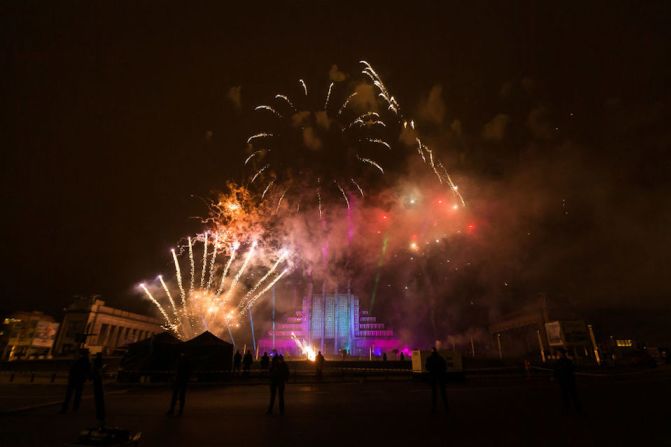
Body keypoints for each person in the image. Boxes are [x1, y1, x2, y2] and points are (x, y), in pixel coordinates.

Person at [60, 349, 90, 413]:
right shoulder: (87, 361)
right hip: (80, 379)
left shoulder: (79, 360)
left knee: (69, 394)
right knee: (77, 394)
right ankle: (75, 407)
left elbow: (73, 369)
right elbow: (87, 371)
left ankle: (66, 407)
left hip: (74, 379)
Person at [425, 347, 448, 413]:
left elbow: (427, 367)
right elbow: (445, 367)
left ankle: (434, 408)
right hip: (440, 377)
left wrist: (432, 371)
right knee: (443, 393)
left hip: (433, 377)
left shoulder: (429, 358)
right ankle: (446, 407)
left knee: (434, 393)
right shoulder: (440, 358)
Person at [91, 352, 106, 427]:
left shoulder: (95, 363)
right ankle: (100, 418)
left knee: (99, 400)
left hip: (97, 382)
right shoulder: (98, 364)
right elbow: (98, 372)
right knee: (100, 400)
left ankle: (100, 417)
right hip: (98, 383)